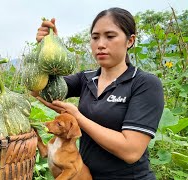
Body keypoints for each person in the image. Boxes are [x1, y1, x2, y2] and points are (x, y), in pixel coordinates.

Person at [34, 7, 164, 179]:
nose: (100, 44)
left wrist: (78, 118)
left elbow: (131, 151)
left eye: (110, 36)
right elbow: (39, 90)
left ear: (130, 41)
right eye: (95, 37)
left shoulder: (144, 83)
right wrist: (47, 49)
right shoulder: (85, 79)